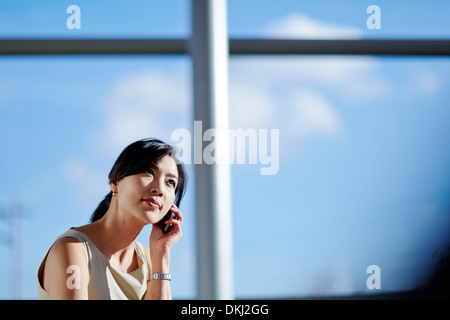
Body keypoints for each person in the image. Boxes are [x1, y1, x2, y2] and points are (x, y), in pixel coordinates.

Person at [37, 138, 187, 300]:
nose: (159, 189)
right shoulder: (72, 249)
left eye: (170, 182)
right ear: (115, 182)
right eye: (149, 172)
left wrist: (162, 253)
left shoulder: (151, 260)